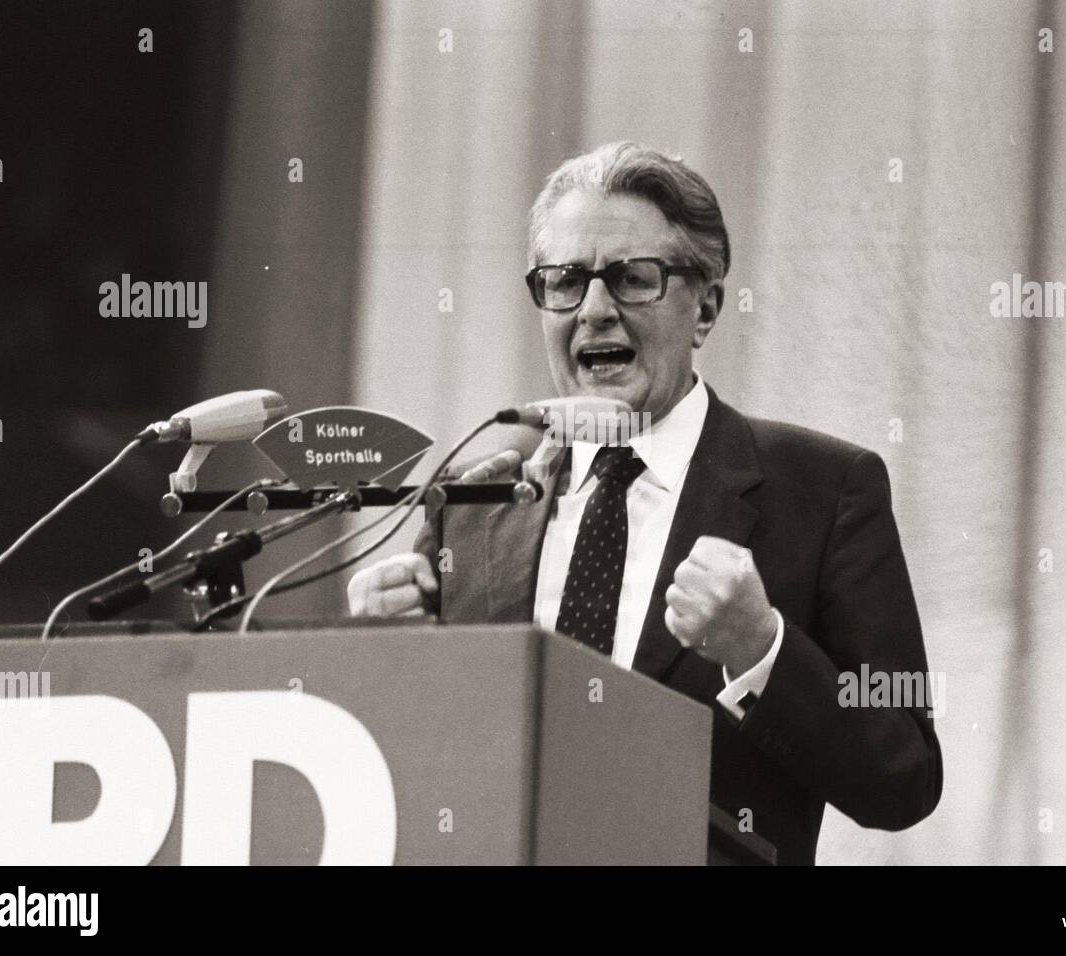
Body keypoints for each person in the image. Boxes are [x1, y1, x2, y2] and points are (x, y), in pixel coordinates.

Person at [348, 141, 941, 864]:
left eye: (633, 278)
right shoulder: (471, 507)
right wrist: (386, 666)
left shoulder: (824, 490)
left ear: (706, 308)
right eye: (564, 281)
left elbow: (904, 777)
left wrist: (762, 651)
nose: (594, 310)